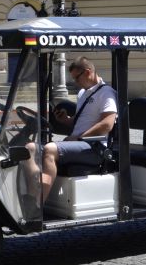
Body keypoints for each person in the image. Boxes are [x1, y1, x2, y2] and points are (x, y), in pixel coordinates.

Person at [31, 56, 117, 202]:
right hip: (80, 144)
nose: (76, 82)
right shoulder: (82, 93)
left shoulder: (106, 93)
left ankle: (37, 206)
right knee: (30, 148)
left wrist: (78, 137)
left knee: (50, 149)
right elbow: (81, 123)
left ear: (88, 72)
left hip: (94, 148)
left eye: (77, 78)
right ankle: (32, 195)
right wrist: (66, 120)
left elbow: (107, 124)